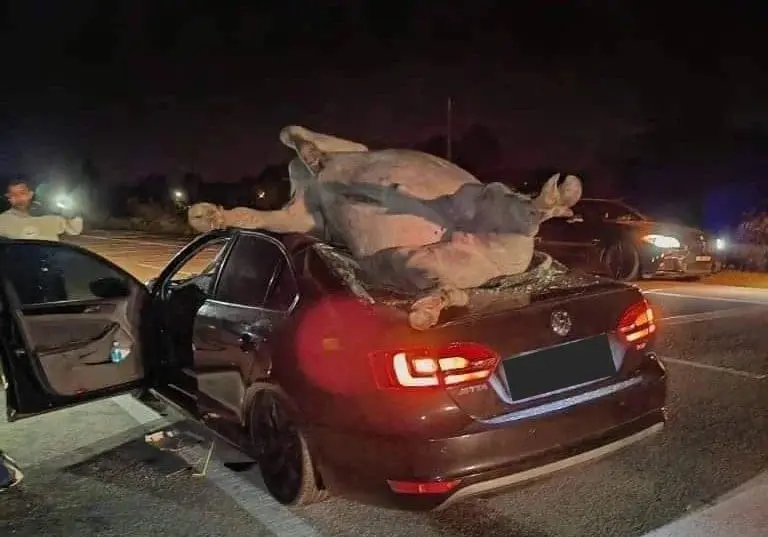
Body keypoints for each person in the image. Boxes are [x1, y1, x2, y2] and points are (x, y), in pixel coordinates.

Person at [0, 178, 83, 241]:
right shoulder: (3, 220)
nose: (18, 198)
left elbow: (74, 230)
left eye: (22, 193)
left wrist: (73, 213)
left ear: (30, 194)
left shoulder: (50, 214)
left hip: (50, 262)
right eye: (13, 195)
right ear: (9, 198)